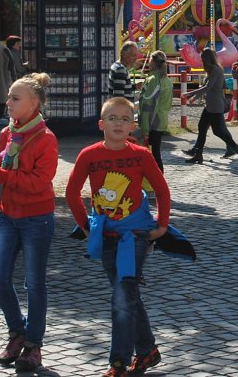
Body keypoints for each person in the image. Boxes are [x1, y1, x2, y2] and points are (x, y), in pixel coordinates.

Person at [66, 97, 171, 376]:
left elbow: (162, 190)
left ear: (132, 126)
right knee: (127, 294)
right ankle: (147, 350)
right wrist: (85, 225)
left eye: (125, 119)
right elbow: (72, 192)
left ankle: (119, 363)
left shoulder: (141, 155)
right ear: (101, 124)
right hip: (106, 235)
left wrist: (162, 225)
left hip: (135, 235)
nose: (118, 123)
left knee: (122, 298)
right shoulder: (88, 155)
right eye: (113, 118)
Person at [0, 73, 58, 371]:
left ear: (34, 103)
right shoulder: (9, 133)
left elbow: (39, 182)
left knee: (34, 284)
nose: (8, 102)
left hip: (37, 218)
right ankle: (17, 331)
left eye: (15, 98)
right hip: (8, 215)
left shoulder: (46, 138)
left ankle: (33, 344)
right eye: (9, 97)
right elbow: (5, 170)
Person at [183, 48, 238, 163]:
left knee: (217, 131)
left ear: (207, 59)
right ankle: (198, 154)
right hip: (210, 105)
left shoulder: (216, 70)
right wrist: (195, 97)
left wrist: (189, 94)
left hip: (215, 105)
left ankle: (237, 149)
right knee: (202, 127)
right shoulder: (213, 70)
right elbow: (209, 87)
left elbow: (208, 87)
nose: (202, 62)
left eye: (203, 59)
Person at [139, 51, 172, 173]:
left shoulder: (153, 80)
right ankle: (158, 179)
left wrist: (145, 130)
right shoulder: (166, 79)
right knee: (155, 153)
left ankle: (158, 180)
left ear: (153, 62)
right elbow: (168, 103)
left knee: (153, 155)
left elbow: (148, 106)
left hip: (153, 122)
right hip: (161, 119)